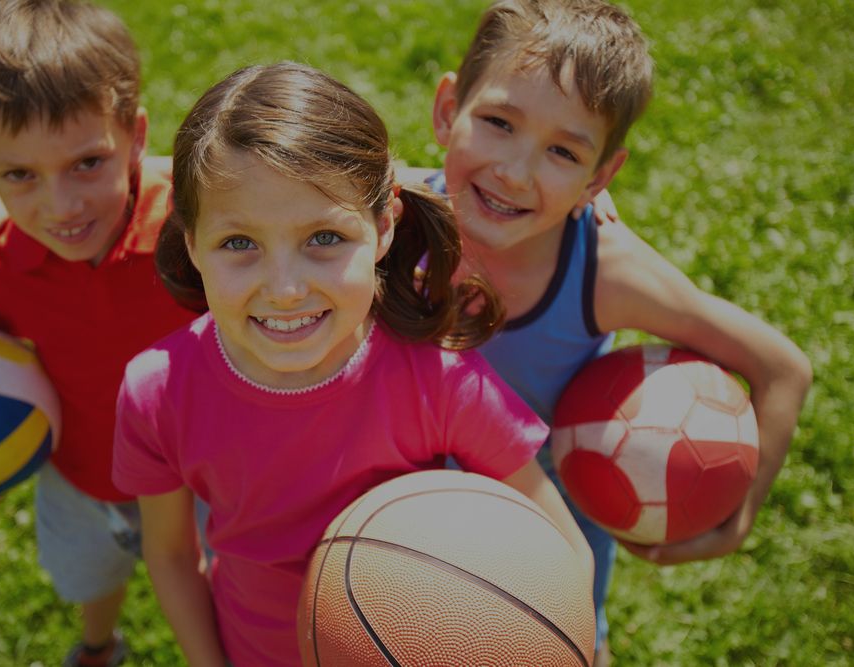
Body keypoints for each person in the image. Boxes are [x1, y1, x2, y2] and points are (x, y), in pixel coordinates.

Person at [110, 61, 594, 667]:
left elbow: (563, 543)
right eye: (240, 244)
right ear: (192, 245)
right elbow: (174, 557)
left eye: (325, 239)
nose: (285, 289)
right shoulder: (157, 392)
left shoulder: (437, 379)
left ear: (384, 225)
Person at [414, 0, 812, 664]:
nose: (515, 170)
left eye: (563, 152)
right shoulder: (390, 223)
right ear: (447, 109)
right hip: (402, 519)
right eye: (497, 122)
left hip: (547, 533)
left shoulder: (604, 270)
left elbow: (783, 368)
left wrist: (735, 520)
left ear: (600, 176)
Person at [0, 1, 200, 665]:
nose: (61, 206)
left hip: (204, 473)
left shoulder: (197, 227)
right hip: (80, 475)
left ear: (136, 134)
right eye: (19, 175)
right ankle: (99, 644)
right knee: (89, 577)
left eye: (88, 163)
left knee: (214, 592)